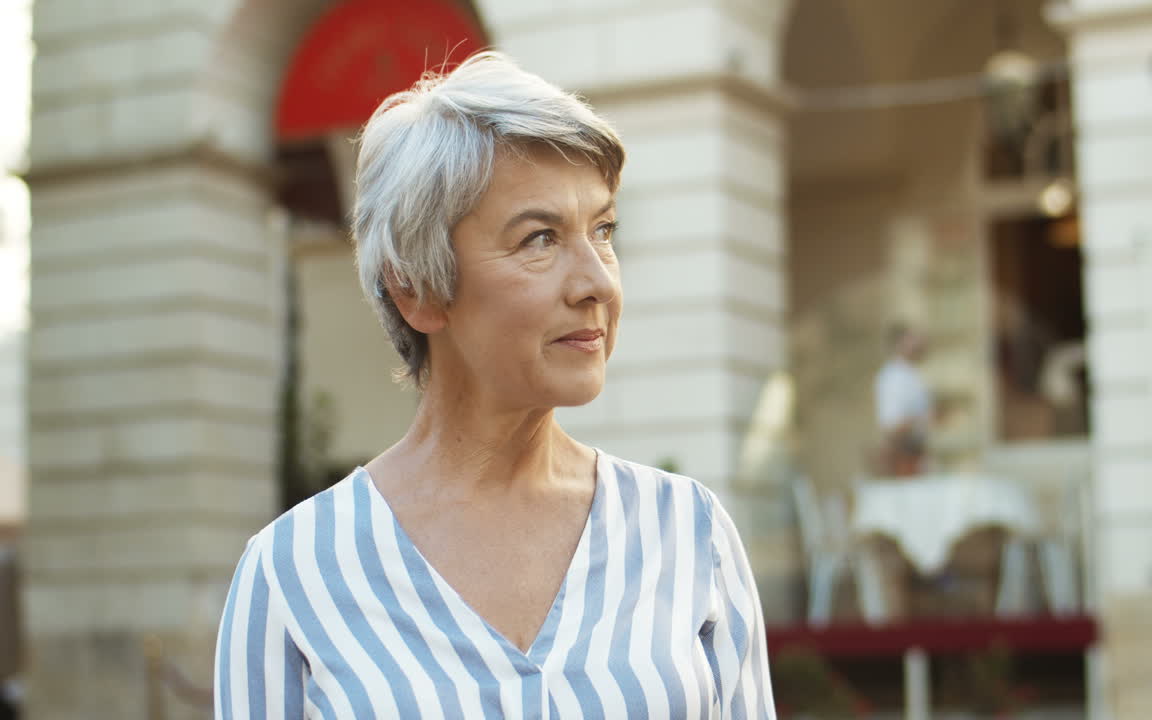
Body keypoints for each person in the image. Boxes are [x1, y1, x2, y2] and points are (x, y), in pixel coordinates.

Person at [214, 52, 775, 719]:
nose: (597, 282)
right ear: (417, 289)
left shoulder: (689, 534)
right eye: (540, 239)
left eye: (603, 230)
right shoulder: (294, 572)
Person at [874, 324, 932, 477]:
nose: (918, 344)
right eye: (911, 339)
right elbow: (891, 423)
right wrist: (922, 419)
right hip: (904, 456)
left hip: (917, 452)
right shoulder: (893, 377)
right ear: (899, 343)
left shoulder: (913, 374)